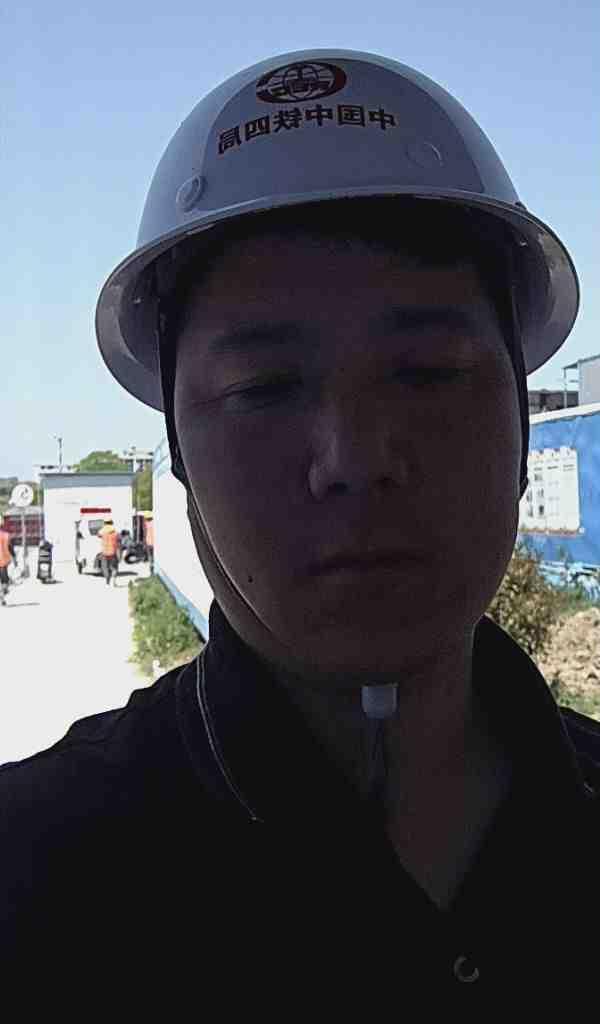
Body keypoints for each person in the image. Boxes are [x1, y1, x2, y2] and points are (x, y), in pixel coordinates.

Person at [2, 49, 599, 1000]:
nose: (354, 458)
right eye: (262, 387)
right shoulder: (33, 876)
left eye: (429, 373)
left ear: (523, 423)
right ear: (179, 454)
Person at [97, 516, 120, 585]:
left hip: (104, 552)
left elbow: (98, 535)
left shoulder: (102, 531)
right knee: (115, 567)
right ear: (112, 522)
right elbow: (119, 539)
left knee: (105, 567)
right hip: (113, 552)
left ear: (104, 523)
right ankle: (114, 581)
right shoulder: (115, 531)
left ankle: (107, 579)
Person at [0, 515, 17, 606]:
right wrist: (14, 559)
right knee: (4, 582)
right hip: (3, 562)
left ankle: (2, 596)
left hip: (3, 562)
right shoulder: (6, 535)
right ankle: (2, 596)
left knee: (5, 582)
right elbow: (10, 548)